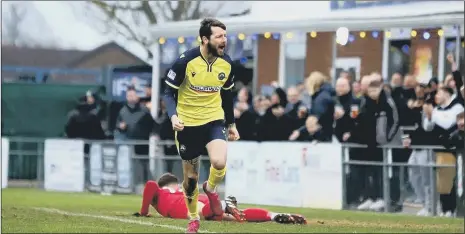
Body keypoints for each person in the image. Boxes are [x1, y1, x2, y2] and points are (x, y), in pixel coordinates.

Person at [162, 18, 240, 233]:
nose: (224, 40)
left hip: (214, 119)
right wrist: (173, 116)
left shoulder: (227, 64)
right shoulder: (185, 61)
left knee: (219, 161)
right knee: (190, 178)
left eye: (225, 36)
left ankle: (211, 188)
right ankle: (193, 217)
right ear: (205, 39)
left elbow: (227, 94)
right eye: (219, 36)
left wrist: (231, 123)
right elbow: (168, 92)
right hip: (187, 124)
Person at [133, 173, 307, 225]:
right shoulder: (177, 191)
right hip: (199, 200)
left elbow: (149, 184)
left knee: (202, 213)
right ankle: (274, 215)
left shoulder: (161, 192)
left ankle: (219, 199)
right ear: (176, 185)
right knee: (237, 217)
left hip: (186, 205)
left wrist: (144, 212)